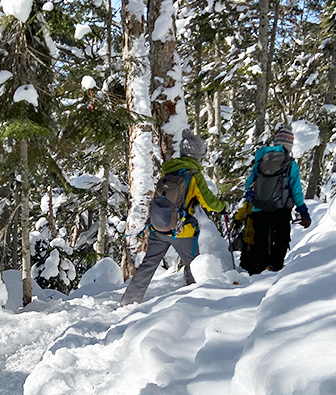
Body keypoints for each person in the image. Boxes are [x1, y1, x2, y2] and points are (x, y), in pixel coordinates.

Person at [121, 130, 226, 305]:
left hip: (158, 228)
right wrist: (223, 207)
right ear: (198, 155)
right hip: (182, 231)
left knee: (148, 265)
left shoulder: (169, 171)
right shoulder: (194, 176)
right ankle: (190, 302)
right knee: (193, 264)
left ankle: (128, 301)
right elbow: (209, 202)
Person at [240, 124, 311, 275]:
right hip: (281, 208)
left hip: (259, 207)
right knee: (281, 237)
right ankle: (275, 266)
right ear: (289, 145)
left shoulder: (261, 160)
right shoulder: (290, 163)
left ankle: (258, 267)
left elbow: (248, 184)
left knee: (260, 237)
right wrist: (302, 210)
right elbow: (296, 189)